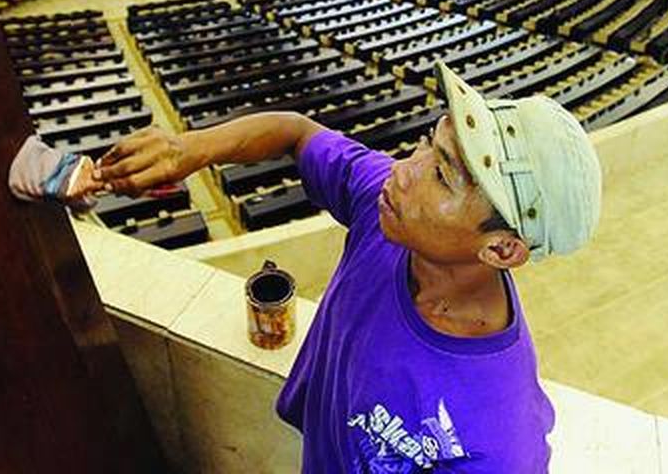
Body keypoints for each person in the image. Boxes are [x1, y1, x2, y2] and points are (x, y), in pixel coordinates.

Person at [94, 61, 603, 473]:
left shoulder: (496, 438)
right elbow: (296, 132)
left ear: (501, 250)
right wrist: (190, 148)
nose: (403, 171)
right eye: (429, 144)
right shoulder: (386, 210)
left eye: (444, 177)